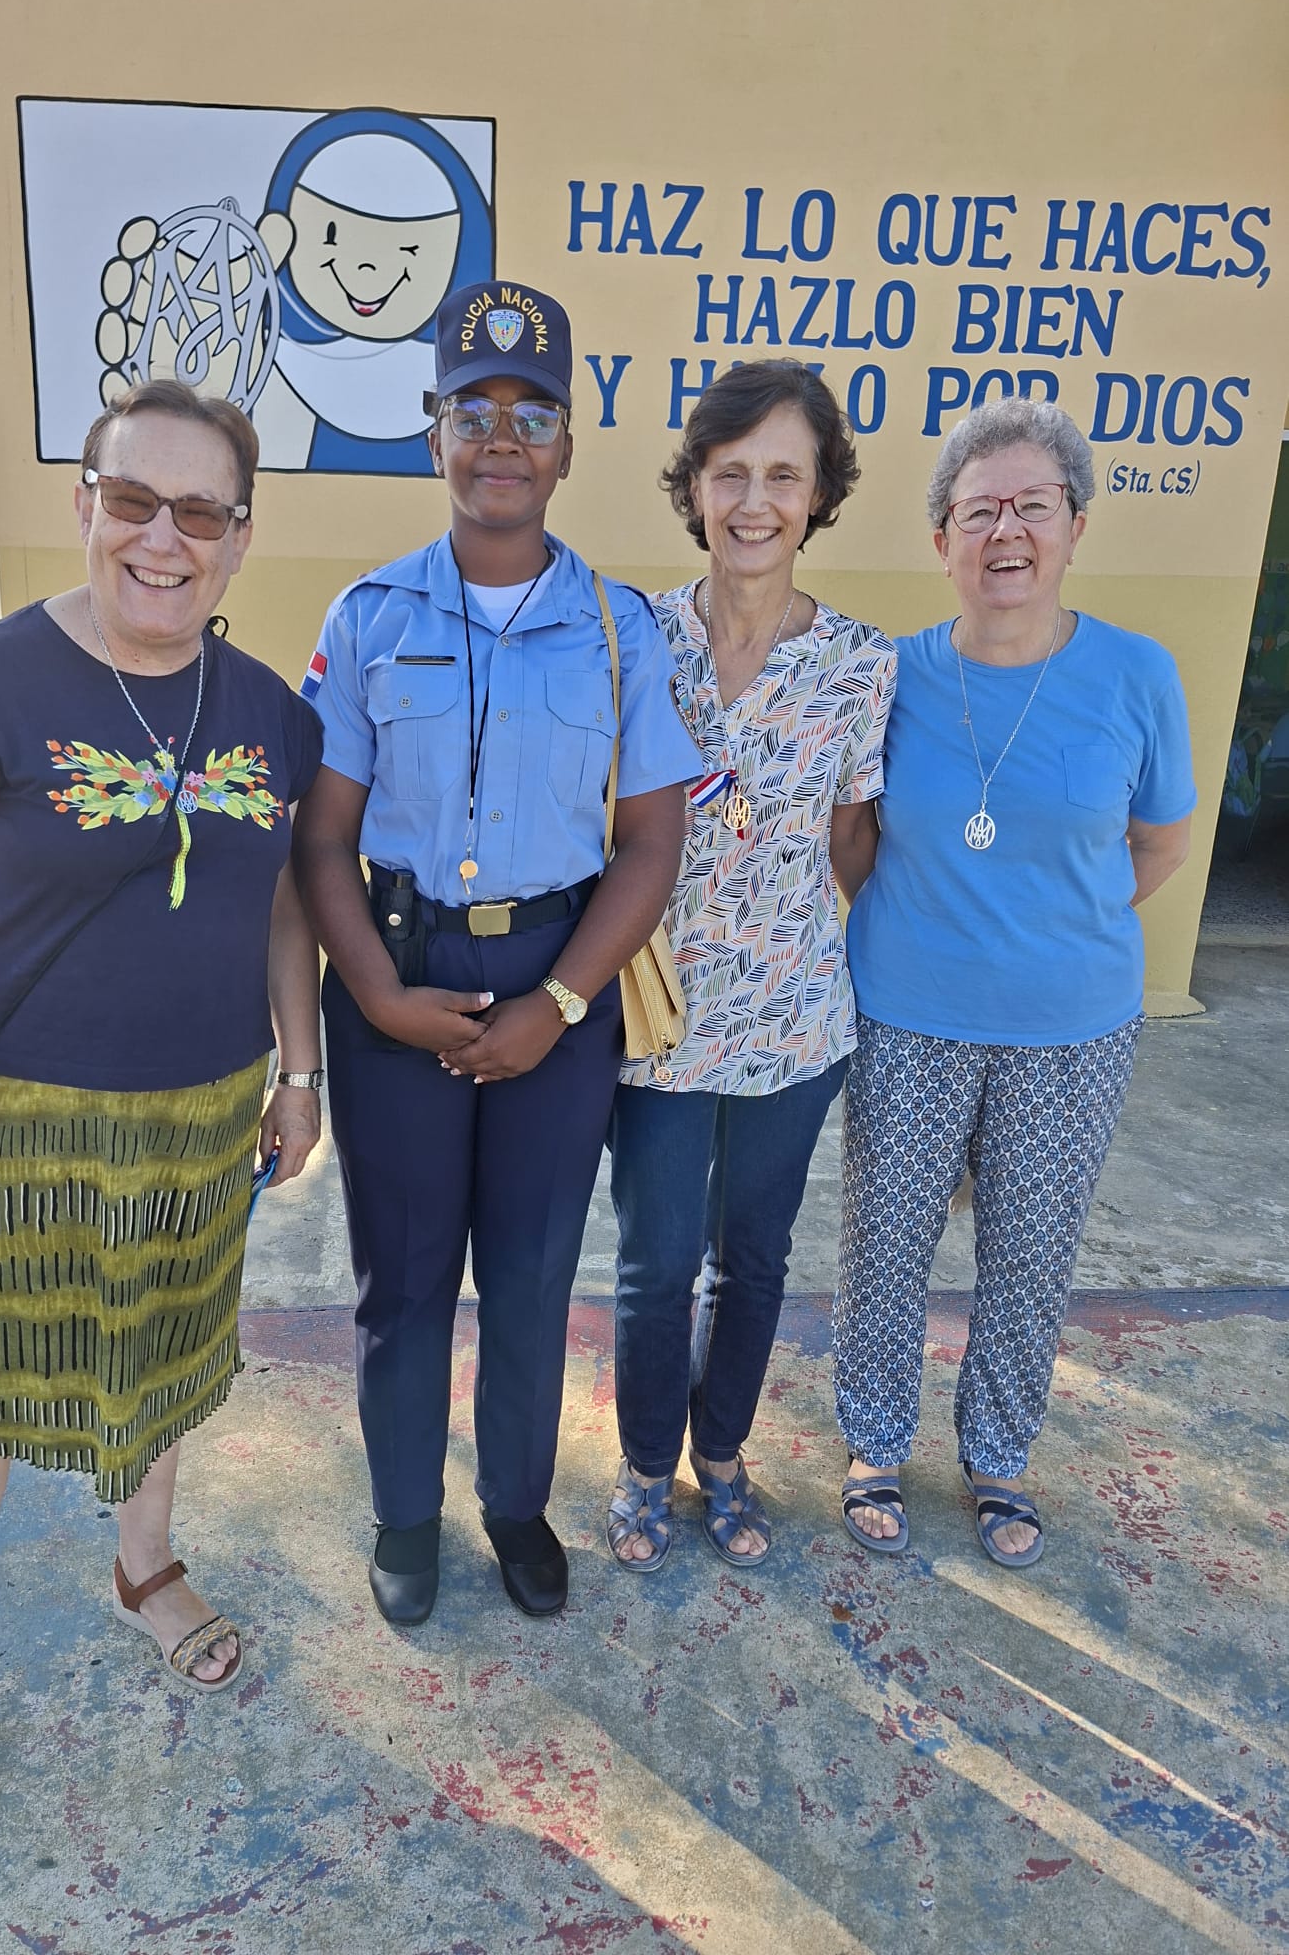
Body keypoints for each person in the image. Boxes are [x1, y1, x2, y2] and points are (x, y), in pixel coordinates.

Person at [0, 379, 324, 1838]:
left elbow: (284, 905)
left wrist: (299, 1070)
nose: (163, 539)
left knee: (169, 1358)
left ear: (240, 537)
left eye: (201, 513)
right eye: (134, 501)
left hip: (201, 1119)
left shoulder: (271, 714)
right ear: (86, 506)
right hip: (15, 1120)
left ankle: (144, 1565)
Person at [294, 278, 700, 1626]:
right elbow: (321, 839)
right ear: (434, 436)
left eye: (533, 413)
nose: (503, 438)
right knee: (404, 1280)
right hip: (395, 977)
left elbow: (650, 842)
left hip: (557, 988)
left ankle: (516, 1505)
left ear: (569, 445)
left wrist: (562, 1000)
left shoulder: (618, 627)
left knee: (529, 1279)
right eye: (474, 412)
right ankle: (405, 1516)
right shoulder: (368, 619)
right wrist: (375, 994)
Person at [834, 398, 1194, 1566]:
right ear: (941, 537)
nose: (1006, 532)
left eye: (1033, 506)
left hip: (1071, 1027)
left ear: (1075, 525)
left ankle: (997, 1456)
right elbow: (856, 836)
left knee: (1031, 1254)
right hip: (907, 1014)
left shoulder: (1136, 674)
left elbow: (1159, 842)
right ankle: (874, 1443)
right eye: (979, 509)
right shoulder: (892, 676)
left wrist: (1059, 928)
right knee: (885, 1241)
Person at [604, 361, 896, 1573]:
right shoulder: (635, 635)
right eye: (732, 473)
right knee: (655, 1262)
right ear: (695, 489)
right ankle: (643, 1466)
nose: (756, 501)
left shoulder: (860, 664)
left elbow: (854, 842)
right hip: (657, 1020)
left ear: (819, 492)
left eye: (784, 474)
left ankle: (721, 1455)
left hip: (795, 1023)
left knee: (755, 1257)